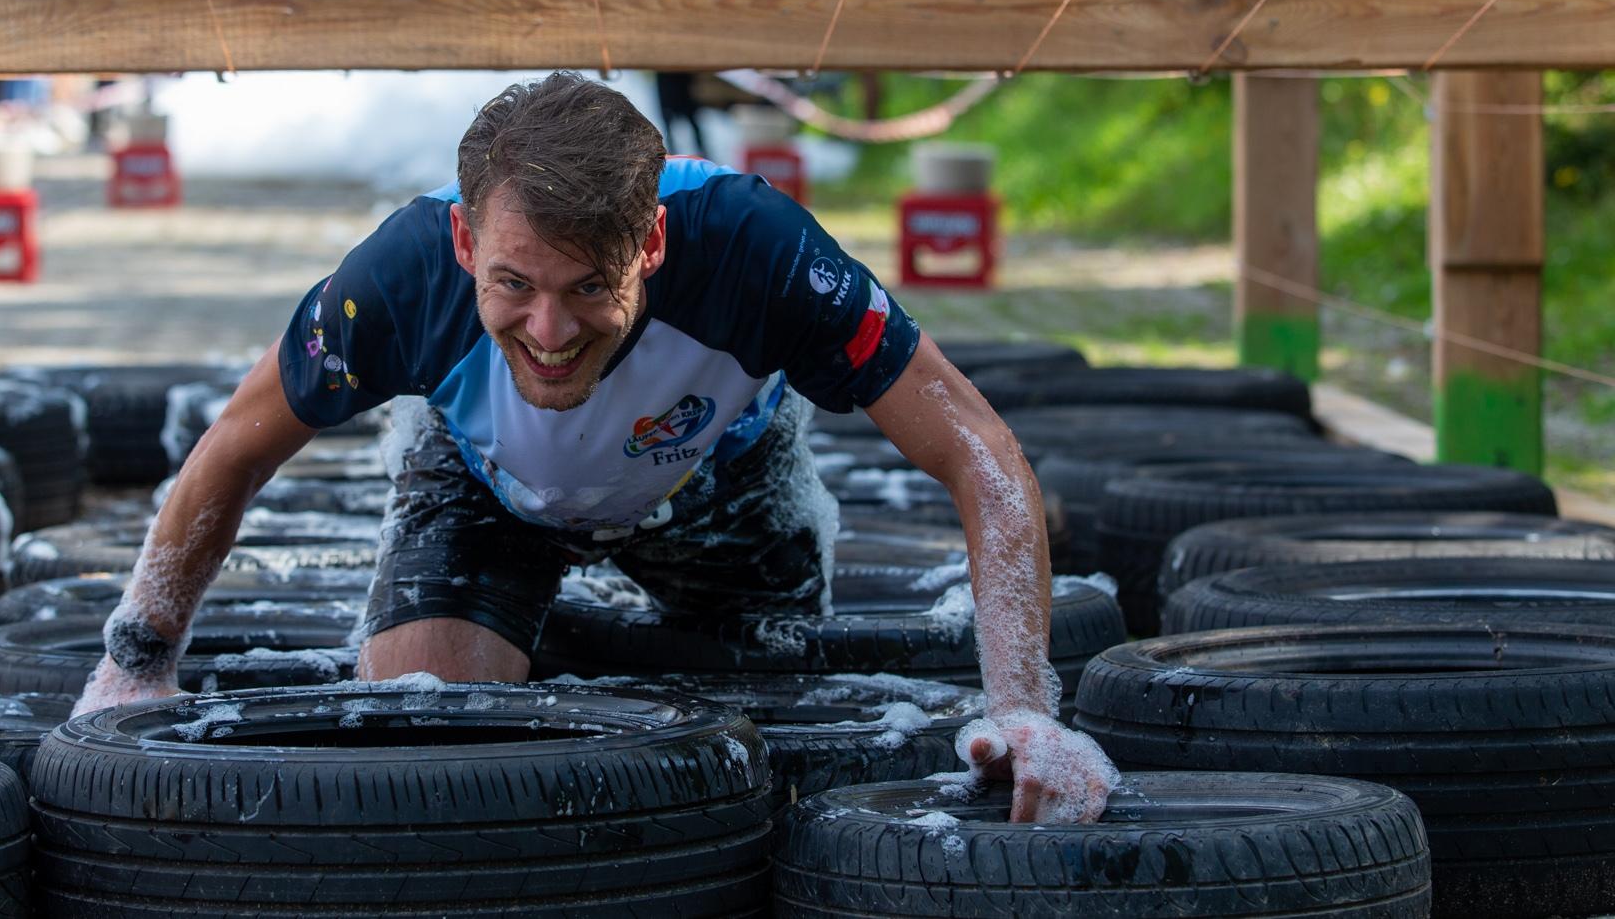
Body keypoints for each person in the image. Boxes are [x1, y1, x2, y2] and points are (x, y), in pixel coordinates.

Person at [73, 72, 1116, 823]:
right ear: (464, 245)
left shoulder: (758, 252)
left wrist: (1024, 708)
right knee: (419, 730)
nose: (549, 333)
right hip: (490, 493)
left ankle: (583, 641)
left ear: (651, 243)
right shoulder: (394, 279)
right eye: (513, 286)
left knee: (756, 746)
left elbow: (976, 451)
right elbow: (232, 451)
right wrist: (136, 658)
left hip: (719, 488)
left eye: (587, 290)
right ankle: (521, 627)